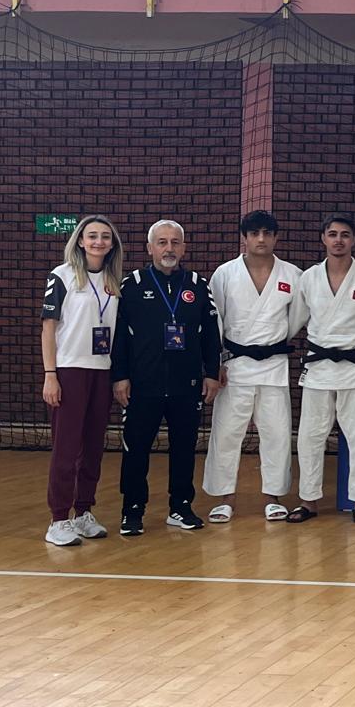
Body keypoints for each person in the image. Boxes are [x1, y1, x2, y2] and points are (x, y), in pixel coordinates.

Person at [110, 220, 222, 535]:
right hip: (142, 384)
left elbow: (211, 333)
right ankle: (132, 510)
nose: (169, 248)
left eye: (175, 242)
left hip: (186, 384)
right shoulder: (131, 285)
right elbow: (119, 337)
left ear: (184, 248)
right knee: (136, 449)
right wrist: (120, 376)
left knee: (184, 448)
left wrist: (211, 373)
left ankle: (181, 507)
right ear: (150, 248)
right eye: (162, 242)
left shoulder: (198, 285)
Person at [202, 210, 303, 523]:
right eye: (254, 233)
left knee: (277, 433)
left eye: (267, 233)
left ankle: (273, 496)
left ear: (276, 237)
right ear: (244, 238)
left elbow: (297, 319)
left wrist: (275, 344)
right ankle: (225, 498)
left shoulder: (293, 275)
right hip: (234, 365)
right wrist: (216, 362)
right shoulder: (224, 274)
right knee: (226, 433)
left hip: (274, 363)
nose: (261, 239)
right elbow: (214, 321)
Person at [289, 214, 355, 523]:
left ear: (354, 240)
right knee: (310, 437)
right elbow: (296, 320)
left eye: (345, 234)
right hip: (318, 367)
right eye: (333, 234)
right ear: (324, 238)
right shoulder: (309, 278)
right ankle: (308, 500)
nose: (339, 240)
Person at [40, 214, 124, 546]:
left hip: (101, 371)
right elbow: (48, 329)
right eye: (92, 236)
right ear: (80, 241)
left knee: (92, 448)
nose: (98, 241)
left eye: (105, 236)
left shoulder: (115, 281)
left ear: (112, 244)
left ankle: (83, 512)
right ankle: (58, 519)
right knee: (66, 447)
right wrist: (50, 375)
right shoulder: (61, 275)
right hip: (69, 370)